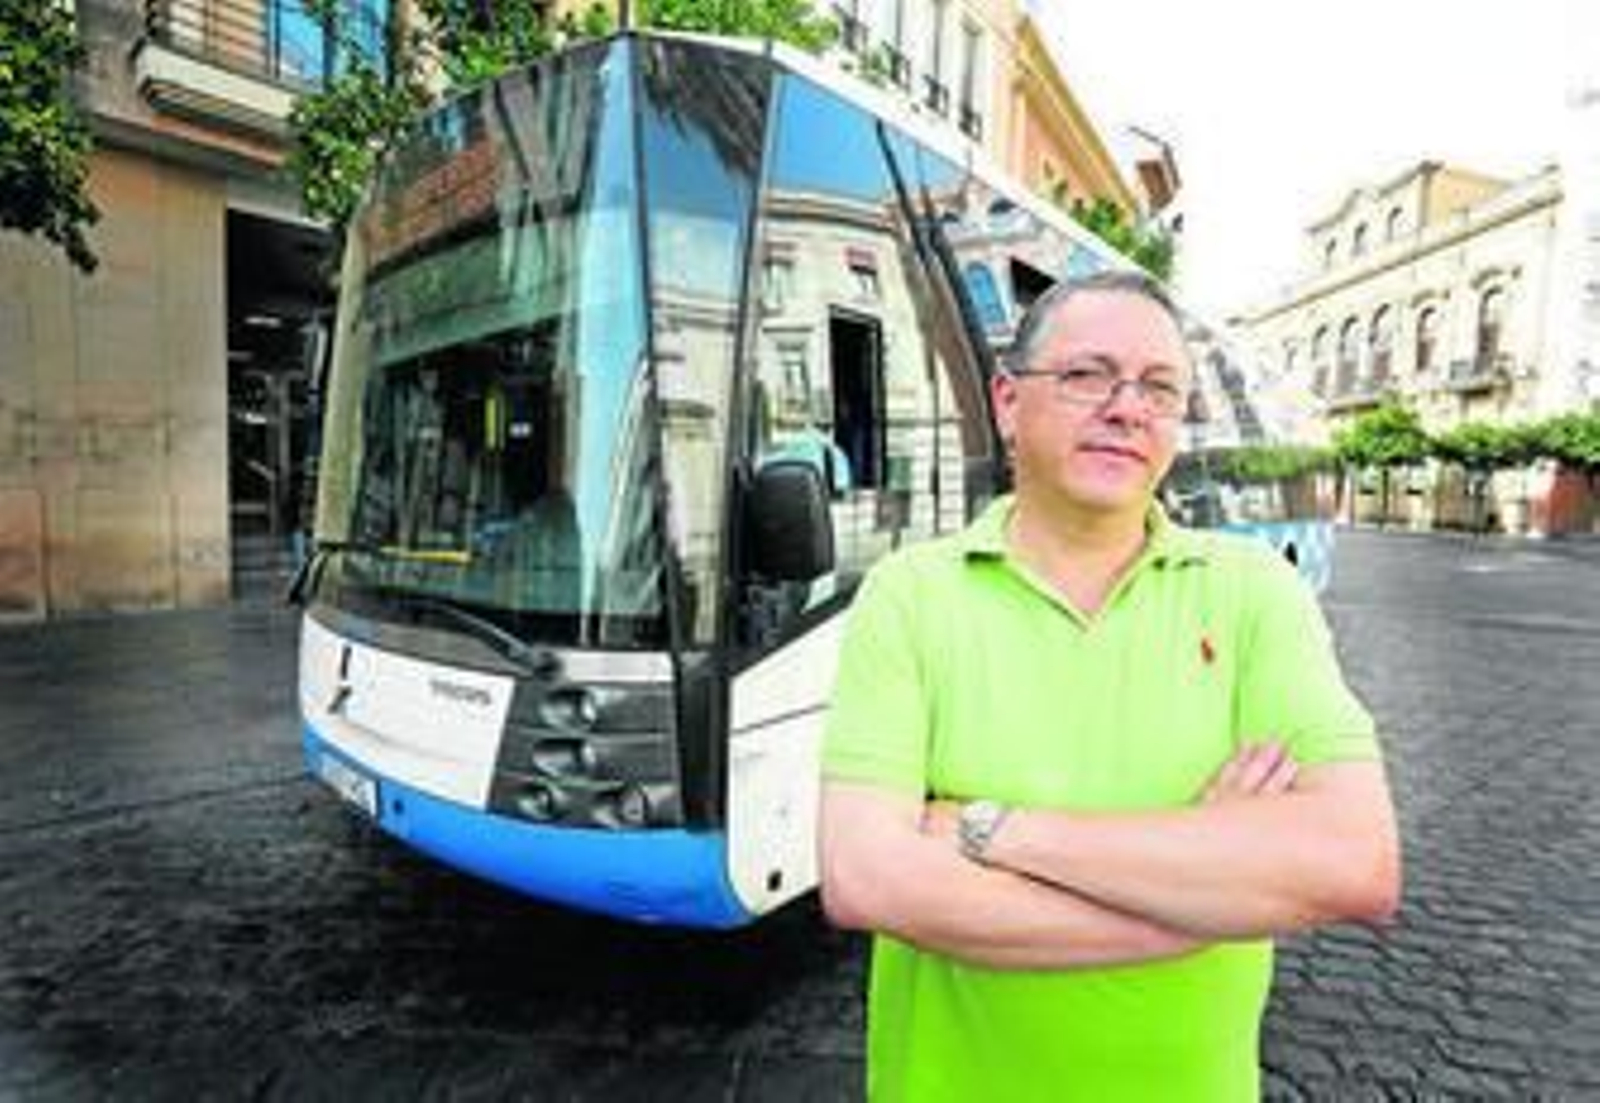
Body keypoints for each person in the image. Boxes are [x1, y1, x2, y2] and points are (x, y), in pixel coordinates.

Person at [818, 270, 1401, 1102]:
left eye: (1160, 388)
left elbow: (1356, 861)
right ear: (1009, 401)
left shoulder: (1255, 592)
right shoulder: (910, 593)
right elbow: (865, 877)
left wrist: (994, 829)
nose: (1129, 407)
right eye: (1089, 374)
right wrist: (1206, 891)